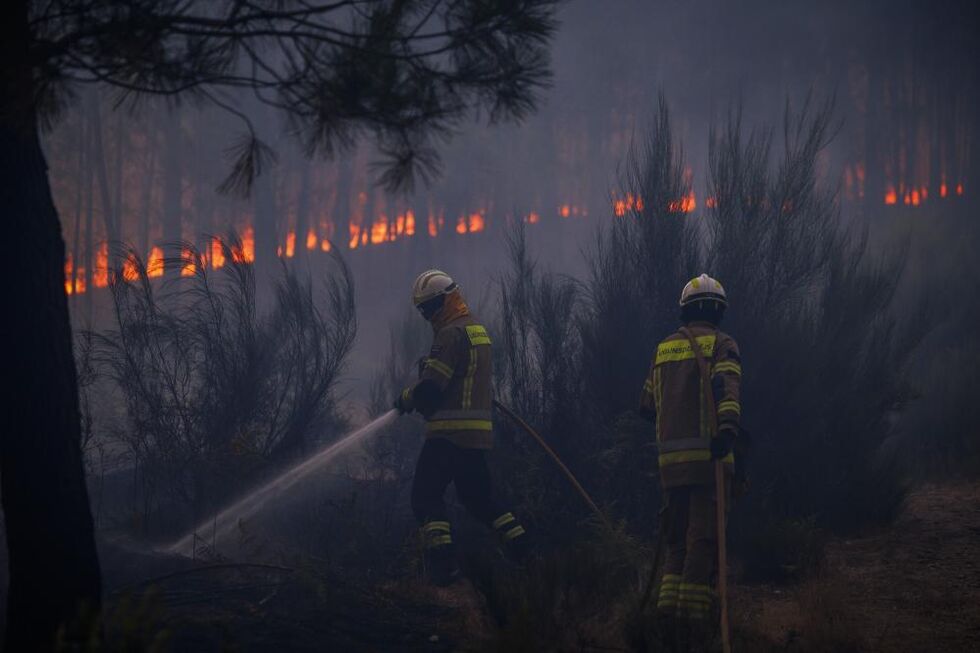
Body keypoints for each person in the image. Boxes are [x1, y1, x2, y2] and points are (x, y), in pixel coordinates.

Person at [395, 269, 529, 585]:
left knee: (425, 497)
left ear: (446, 300)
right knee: (479, 501)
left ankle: (443, 570)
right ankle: (525, 550)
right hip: (476, 437)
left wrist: (406, 398)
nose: (427, 315)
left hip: (447, 435)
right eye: (422, 310)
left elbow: (431, 391)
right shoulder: (476, 331)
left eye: (430, 307)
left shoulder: (449, 335)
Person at [639, 274, 742, 651]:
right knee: (703, 540)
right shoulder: (722, 344)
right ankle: (693, 628)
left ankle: (665, 620)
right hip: (708, 464)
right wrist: (726, 432)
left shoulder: (664, 348)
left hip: (671, 467)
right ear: (719, 310)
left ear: (685, 310)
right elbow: (727, 393)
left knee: (676, 544)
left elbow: (646, 406)